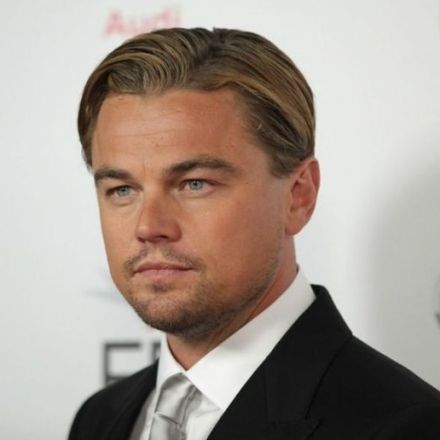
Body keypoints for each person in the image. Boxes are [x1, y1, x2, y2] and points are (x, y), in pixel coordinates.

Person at [69, 28, 440, 440]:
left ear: (298, 196)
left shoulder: (408, 428)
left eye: (195, 184)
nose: (149, 227)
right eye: (122, 190)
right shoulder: (98, 419)